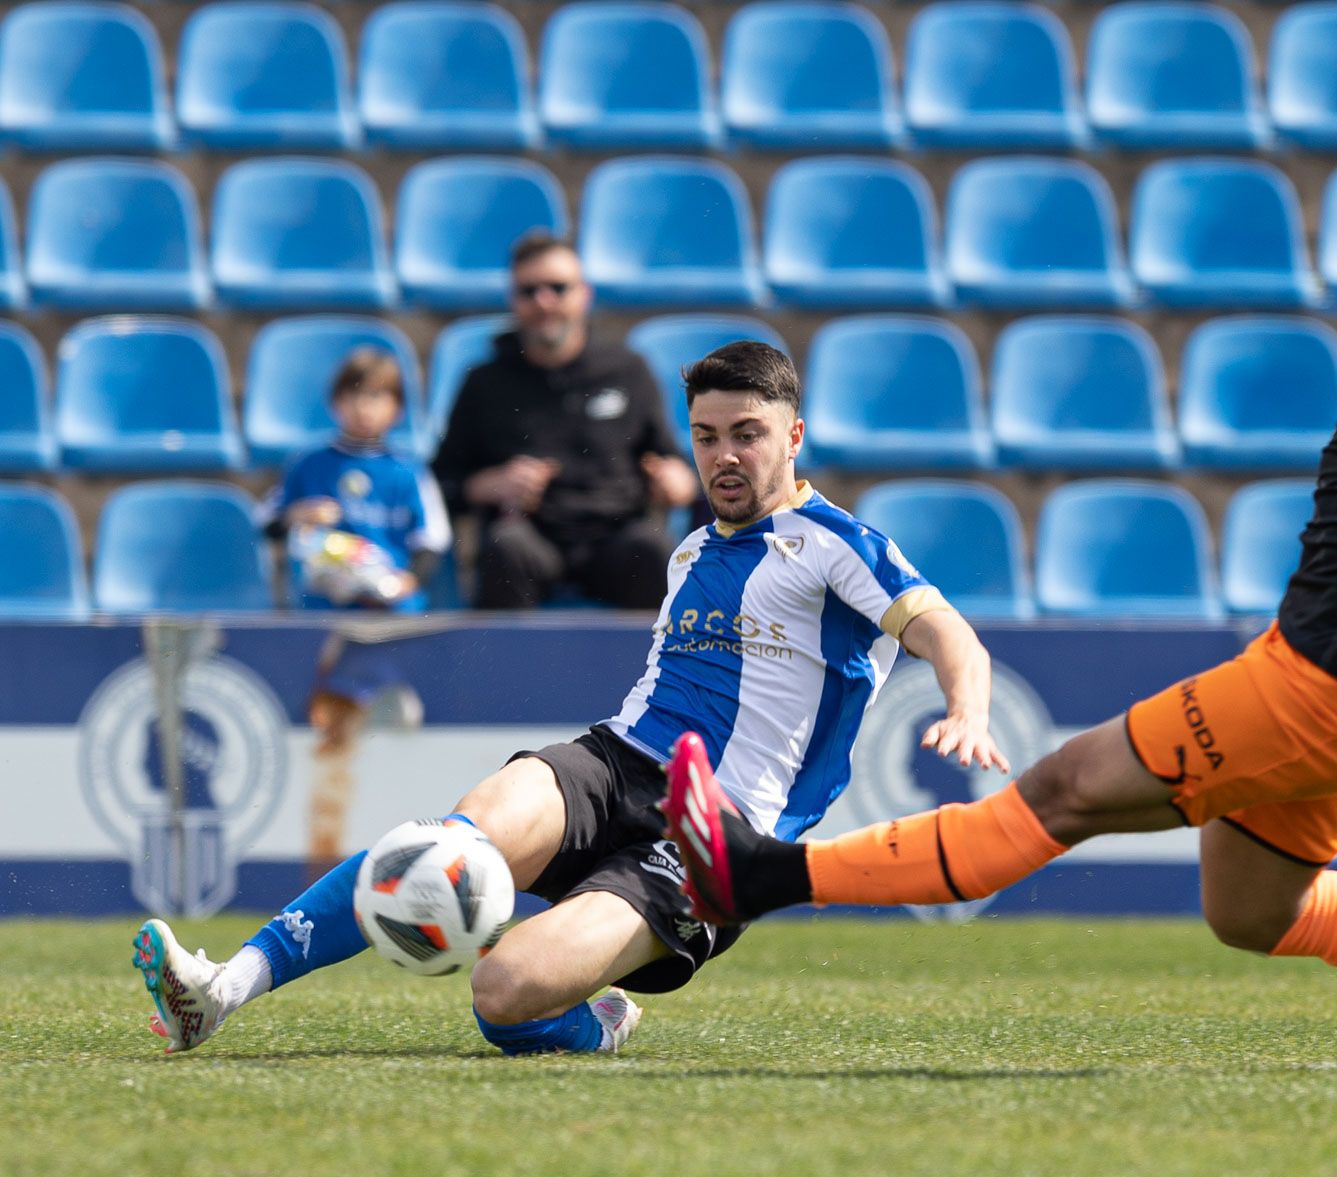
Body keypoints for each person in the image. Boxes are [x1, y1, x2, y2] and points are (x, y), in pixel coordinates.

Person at [661, 66, 1337, 1072]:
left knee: (1064, 787)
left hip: (1335, 689)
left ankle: (758, 875)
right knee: (1251, 909)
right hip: (1331, 664)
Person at [135, 341, 1007, 1056]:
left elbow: (947, 632)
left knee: (503, 993)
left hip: (720, 832)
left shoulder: (836, 545)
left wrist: (965, 708)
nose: (726, 456)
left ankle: (595, 1022)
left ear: (793, 437)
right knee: (439, 846)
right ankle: (218, 992)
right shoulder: (693, 551)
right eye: (707, 436)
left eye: (749, 433)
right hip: (615, 760)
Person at [433, 231, 698, 611]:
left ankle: (656, 673)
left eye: (558, 288)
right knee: (505, 548)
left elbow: (672, 464)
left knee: (651, 550)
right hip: (531, 537)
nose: (544, 302)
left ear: (583, 294)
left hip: (616, 534)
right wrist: (487, 485)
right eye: (529, 291)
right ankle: (504, 673)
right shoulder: (485, 382)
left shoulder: (627, 370)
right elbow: (441, 482)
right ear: (513, 299)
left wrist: (676, 482)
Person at [261, 349, 451, 614]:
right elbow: (267, 523)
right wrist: (295, 515)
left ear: (397, 409)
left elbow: (432, 540)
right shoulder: (308, 463)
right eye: (353, 396)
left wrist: (405, 583)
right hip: (323, 608)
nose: (363, 408)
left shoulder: (409, 471)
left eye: (375, 396)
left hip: (393, 609)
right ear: (335, 403)